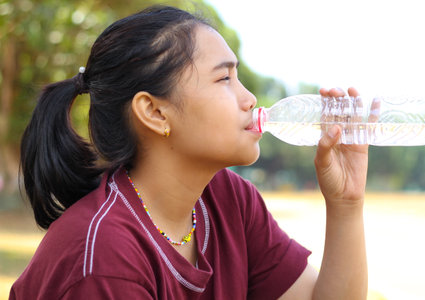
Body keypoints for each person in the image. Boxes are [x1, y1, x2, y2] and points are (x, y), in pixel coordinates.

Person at [10, 5, 367, 300]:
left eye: (238, 77)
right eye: (224, 79)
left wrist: (346, 205)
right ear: (154, 112)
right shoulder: (106, 258)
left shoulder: (229, 200)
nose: (250, 99)